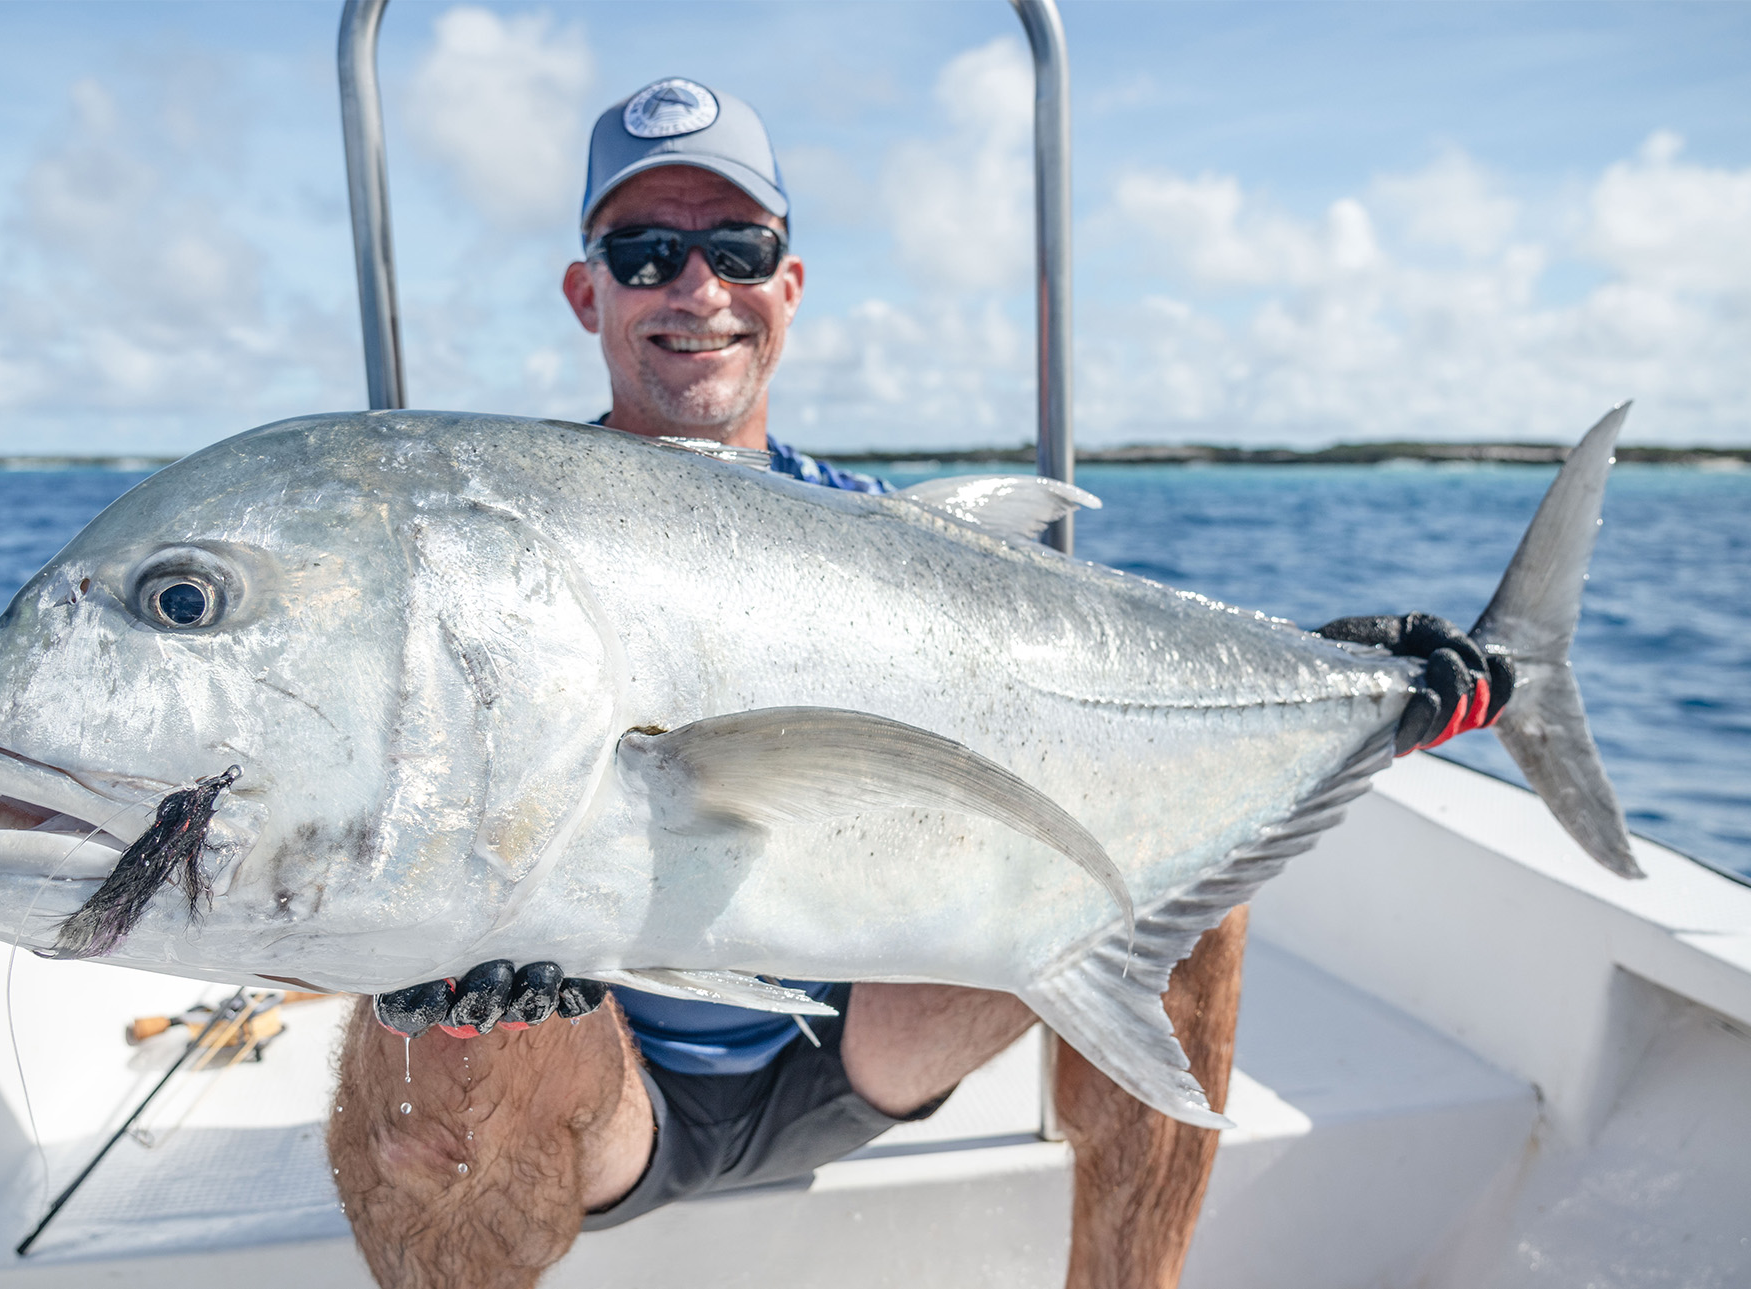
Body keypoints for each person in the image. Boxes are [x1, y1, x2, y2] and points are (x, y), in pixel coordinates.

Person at [326, 78, 1505, 1289]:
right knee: (435, 1056)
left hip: (862, 1041)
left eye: (738, 248)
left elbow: (1098, 710)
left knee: (1178, 864)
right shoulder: (517, 547)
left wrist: (1342, 683)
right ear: (589, 291)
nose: (698, 289)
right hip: (606, 1080)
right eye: (646, 252)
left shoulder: (896, 536)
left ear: (788, 285)